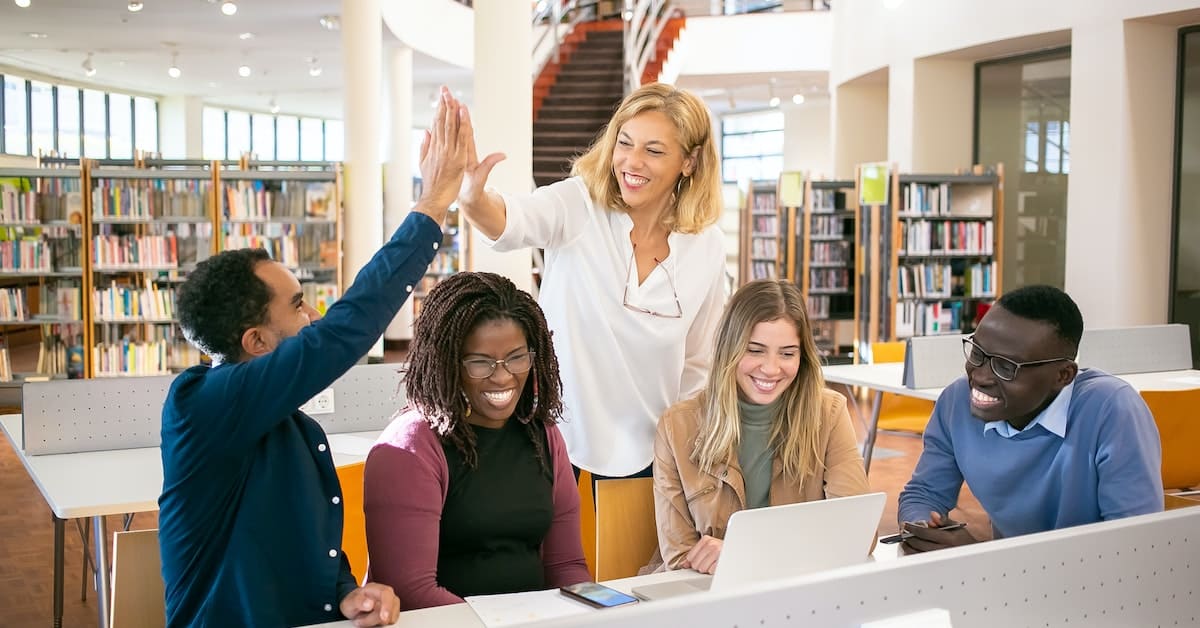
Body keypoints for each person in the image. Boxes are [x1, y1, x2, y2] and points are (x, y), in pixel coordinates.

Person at [157, 88, 470, 627]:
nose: (314, 317)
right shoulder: (203, 405)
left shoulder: (285, 423)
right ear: (255, 342)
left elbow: (299, 539)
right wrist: (431, 206)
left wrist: (345, 593)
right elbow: (342, 333)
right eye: (299, 306)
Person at [457, 82, 727, 480]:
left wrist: (686, 451)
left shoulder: (707, 246)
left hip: (652, 454)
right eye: (625, 143)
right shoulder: (579, 205)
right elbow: (512, 220)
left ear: (690, 161)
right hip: (554, 442)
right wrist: (472, 200)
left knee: (632, 546)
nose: (631, 162)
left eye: (653, 150)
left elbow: (698, 364)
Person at [363, 272, 591, 609]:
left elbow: (566, 566)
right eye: (480, 363)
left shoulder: (543, 435)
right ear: (447, 363)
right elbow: (410, 592)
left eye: (516, 357)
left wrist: (598, 612)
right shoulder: (409, 447)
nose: (502, 376)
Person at [898, 285, 1164, 553]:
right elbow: (924, 494)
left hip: (1095, 586)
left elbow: (1134, 549)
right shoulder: (957, 401)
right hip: (1011, 585)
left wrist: (979, 557)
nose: (980, 376)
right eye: (977, 353)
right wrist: (923, 526)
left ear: (1063, 375)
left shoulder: (1112, 410)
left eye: (1006, 367)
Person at [649, 280, 872, 574]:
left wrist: (744, 554)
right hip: (709, 597)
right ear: (731, 349)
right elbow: (680, 558)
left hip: (799, 591)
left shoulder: (829, 414)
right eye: (755, 350)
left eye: (787, 353)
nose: (770, 368)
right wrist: (789, 552)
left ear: (802, 357)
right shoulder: (676, 427)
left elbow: (858, 534)